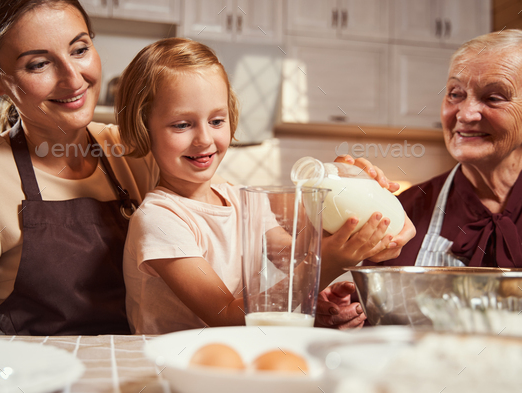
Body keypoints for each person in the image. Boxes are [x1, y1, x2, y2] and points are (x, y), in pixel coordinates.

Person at [117, 38, 407, 334]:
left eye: (217, 120)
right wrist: (326, 266)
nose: (204, 139)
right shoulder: (158, 219)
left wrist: (349, 202)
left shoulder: (240, 199)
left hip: (234, 362)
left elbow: (292, 256)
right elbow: (226, 316)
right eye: (182, 125)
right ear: (143, 128)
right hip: (170, 368)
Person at [0, 0, 159, 336]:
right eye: (38, 64)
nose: (72, 78)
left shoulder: (137, 151)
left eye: (80, 49)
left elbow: (223, 216)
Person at [360, 29, 522, 269]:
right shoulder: (402, 211)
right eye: (455, 94)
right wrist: (352, 304)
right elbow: (377, 302)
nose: (465, 114)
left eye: (494, 97)